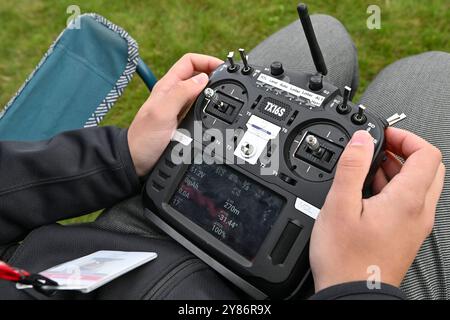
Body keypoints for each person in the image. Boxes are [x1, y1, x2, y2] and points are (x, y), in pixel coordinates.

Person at [0, 14, 448, 300]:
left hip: (113, 239)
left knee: (323, 32)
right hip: (312, 281)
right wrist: (357, 284)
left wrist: (123, 156)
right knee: (431, 77)